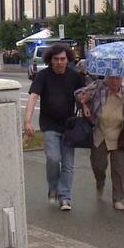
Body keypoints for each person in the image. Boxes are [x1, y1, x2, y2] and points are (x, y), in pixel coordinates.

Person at [24, 43, 84, 211]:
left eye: (63, 59)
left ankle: (64, 197)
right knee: (53, 159)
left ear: (68, 60)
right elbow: (33, 97)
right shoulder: (43, 76)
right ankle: (53, 187)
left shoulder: (74, 76)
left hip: (69, 126)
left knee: (68, 165)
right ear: (50, 60)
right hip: (49, 125)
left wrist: (85, 103)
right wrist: (27, 120)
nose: (59, 62)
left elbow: (82, 98)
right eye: (56, 59)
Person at [75, 76, 124, 211]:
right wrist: (84, 102)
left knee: (119, 169)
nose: (114, 81)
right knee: (98, 166)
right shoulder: (99, 88)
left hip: (119, 136)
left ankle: (117, 198)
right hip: (99, 134)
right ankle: (100, 183)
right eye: (111, 78)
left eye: (117, 79)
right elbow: (77, 93)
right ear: (106, 78)